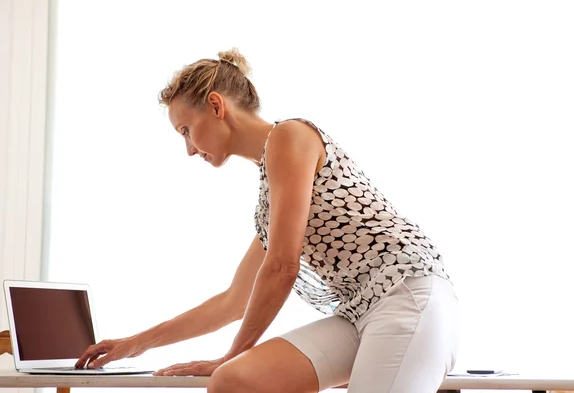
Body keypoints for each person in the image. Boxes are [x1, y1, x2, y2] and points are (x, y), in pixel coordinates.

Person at [75, 48, 460, 393]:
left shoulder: (289, 137)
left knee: (230, 368)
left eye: (186, 131)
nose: (189, 150)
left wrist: (230, 353)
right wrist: (133, 344)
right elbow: (232, 301)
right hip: (359, 313)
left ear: (215, 105)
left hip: (408, 296)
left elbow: (282, 266)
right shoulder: (270, 196)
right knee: (233, 382)